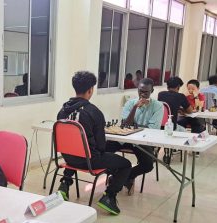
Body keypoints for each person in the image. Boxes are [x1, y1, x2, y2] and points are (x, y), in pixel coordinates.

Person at [56, 71, 131, 215]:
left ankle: (64, 185)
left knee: (77, 148)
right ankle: (109, 196)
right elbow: (101, 146)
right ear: (90, 90)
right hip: (89, 162)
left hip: (68, 158)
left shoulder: (62, 111)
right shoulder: (94, 112)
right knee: (125, 164)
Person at [106, 78, 163, 195]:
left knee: (148, 164)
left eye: (146, 92)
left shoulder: (157, 106)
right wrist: (135, 107)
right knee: (102, 150)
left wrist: (134, 126)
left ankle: (124, 176)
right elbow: (125, 124)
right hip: (125, 139)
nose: (142, 94)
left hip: (142, 141)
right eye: (140, 91)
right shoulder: (130, 103)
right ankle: (120, 175)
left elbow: (152, 129)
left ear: (152, 91)